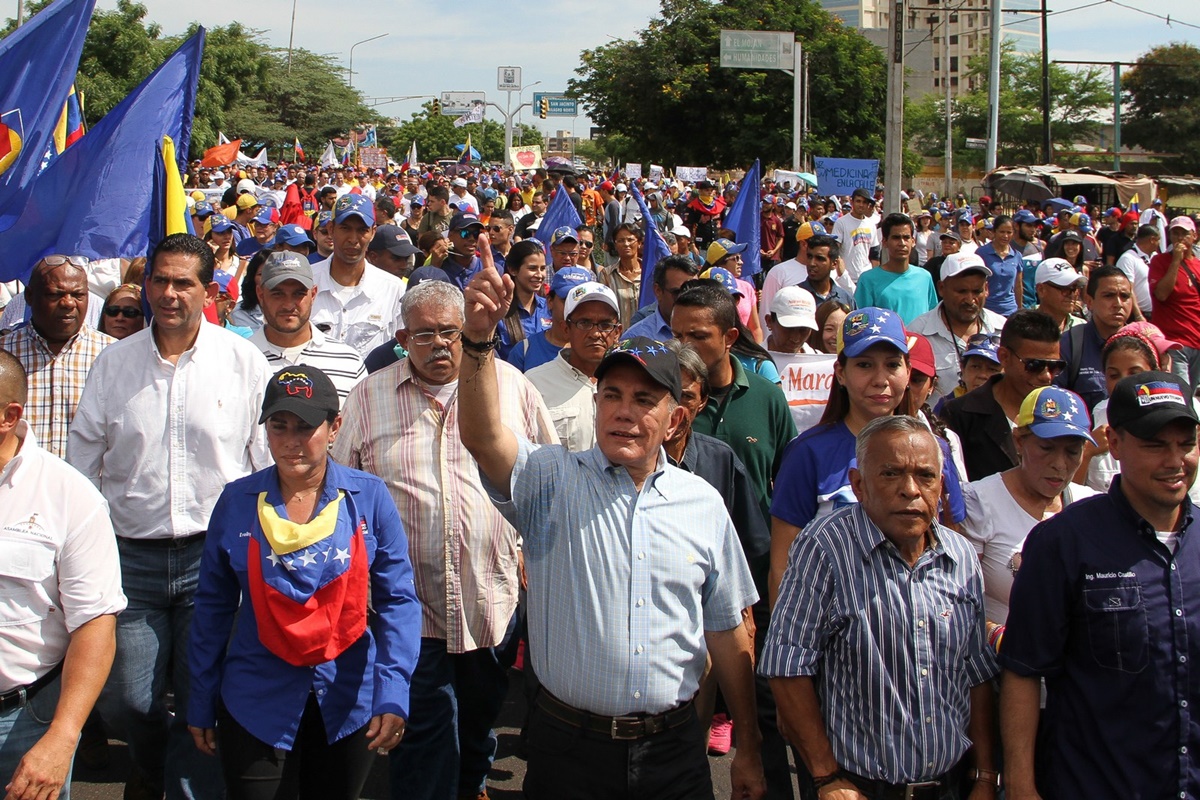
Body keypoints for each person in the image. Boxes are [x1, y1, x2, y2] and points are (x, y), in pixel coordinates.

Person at [456, 233, 766, 799]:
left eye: (645, 400)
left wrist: (749, 745)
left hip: (673, 753)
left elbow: (728, 634)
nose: (625, 412)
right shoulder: (551, 477)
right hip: (567, 750)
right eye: (613, 395)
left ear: (675, 419)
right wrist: (478, 341)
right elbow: (482, 437)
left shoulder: (703, 504)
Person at [68, 233, 273, 800]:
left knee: (198, 692)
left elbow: (262, 463)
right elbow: (84, 458)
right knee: (127, 698)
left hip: (215, 557)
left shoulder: (242, 362)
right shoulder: (114, 364)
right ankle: (151, 767)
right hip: (129, 558)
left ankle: (184, 787)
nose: (169, 293)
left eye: (184, 282)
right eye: (160, 280)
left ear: (207, 290)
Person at [332, 279, 554, 800]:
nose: (439, 346)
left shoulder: (513, 387)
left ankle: (473, 778)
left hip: (490, 596)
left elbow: (549, 475)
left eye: (449, 334)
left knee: (478, 723)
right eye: (425, 335)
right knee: (424, 736)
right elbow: (344, 491)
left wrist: (530, 553)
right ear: (402, 337)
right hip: (408, 606)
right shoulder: (369, 396)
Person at [187, 365, 422, 800]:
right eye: (279, 426)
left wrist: (393, 689)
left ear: (334, 428)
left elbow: (398, 600)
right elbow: (212, 609)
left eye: (306, 426)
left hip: (347, 698)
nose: (292, 441)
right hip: (256, 699)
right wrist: (200, 696)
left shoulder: (368, 497)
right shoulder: (237, 502)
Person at [763, 414, 999, 800]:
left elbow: (977, 673)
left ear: (941, 486)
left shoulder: (960, 557)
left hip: (949, 786)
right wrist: (826, 777)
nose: (910, 490)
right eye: (891, 474)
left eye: (925, 476)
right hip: (856, 787)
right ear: (858, 484)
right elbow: (787, 664)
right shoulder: (825, 547)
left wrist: (986, 776)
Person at [1000, 370, 1200, 800]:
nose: (1174, 460)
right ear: (1116, 441)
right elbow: (1023, 670)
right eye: (1155, 445)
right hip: (1096, 784)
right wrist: (1020, 783)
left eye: (1186, 444)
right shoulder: (1063, 543)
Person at [0, 350, 126, 800]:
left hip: (22, 723)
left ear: (8, 416)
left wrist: (62, 737)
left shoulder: (70, 497)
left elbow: (95, 625)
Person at [962, 385, 1098, 626]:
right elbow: (957, 600)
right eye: (1046, 448)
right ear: (1018, 441)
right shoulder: (979, 502)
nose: (1059, 464)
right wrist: (997, 636)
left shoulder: (1093, 508)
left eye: (1072, 452)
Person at [0, 255, 114, 458]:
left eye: (78, 295)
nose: (68, 303)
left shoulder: (113, 355)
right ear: (29, 297)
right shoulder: (4, 355)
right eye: (55, 295)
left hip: (86, 486)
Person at [941, 309, 1064, 481]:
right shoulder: (959, 415)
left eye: (1054, 366)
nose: (1046, 376)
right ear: (1004, 357)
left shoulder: (1064, 412)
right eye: (1035, 365)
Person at [250, 252, 367, 405]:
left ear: (313, 295)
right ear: (260, 295)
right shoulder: (240, 359)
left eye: (298, 294)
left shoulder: (349, 361)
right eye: (278, 294)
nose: (288, 305)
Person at [526, 282, 621, 452]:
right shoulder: (535, 384)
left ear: (617, 332)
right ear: (566, 329)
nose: (595, 333)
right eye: (584, 323)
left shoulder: (630, 383)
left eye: (605, 325)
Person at [311, 194, 406, 357]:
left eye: (362, 230)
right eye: (345, 228)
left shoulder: (394, 289)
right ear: (331, 229)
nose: (353, 239)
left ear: (373, 232)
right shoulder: (306, 281)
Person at [908, 252, 1006, 407]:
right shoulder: (917, 334)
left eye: (977, 291)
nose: (970, 300)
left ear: (986, 289)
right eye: (961, 291)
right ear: (941, 288)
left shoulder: (1004, 330)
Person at [1055, 264, 1136, 413]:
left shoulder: (1142, 345)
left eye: (1124, 296)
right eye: (1109, 295)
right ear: (1089, 302)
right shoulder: (1070, 344)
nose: (1118, 304)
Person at [853, 213, 938, 324]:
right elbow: (859, 324)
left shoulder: (925, 277)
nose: (902, 243)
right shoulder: (867, 280)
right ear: (884, 242)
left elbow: (933, 318)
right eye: (896, 238)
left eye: (906, 237)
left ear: (913, 242)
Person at [505, 266, 592, 373]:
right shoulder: (524, 351)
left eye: (582, 302)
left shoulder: (600, 350)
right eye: (566, 300)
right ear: (550, 301)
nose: (574, 307)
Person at [1149, 215, 1200, 396]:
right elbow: (1162, 294)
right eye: (1175, 233)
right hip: (1173, 342)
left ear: (1194, 236)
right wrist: (1176, 260)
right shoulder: (1159, 262)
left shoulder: (1198, 265)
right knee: (1181, 393)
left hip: (1196, 341)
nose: (1179, 238)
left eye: (1184, 233)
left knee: (1190, 395)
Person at [622, 254, 700, 342]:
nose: (688, 299)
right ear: (658, 291)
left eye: (694, 292)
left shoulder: (709, 331)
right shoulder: (635, 339)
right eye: (678, 292)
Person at [496, 240, 552, 360]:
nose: (539, 274)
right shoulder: (499, 311)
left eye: (542, 268)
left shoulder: (550, 308)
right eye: (532, 268)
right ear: (513, 270)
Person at [830, 187, 880, 290]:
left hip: (866, 277)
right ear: (852, 201)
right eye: (858, 201)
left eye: (864, 202)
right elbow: (835, 250)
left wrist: (875, 277)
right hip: (847, 278)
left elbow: (874, 254)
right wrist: (841, 273)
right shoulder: (841, 222)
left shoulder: (871, 225)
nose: (861, 205)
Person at [977, 214, 1024, 316]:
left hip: (1010, 311)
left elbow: (1018, 286)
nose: (1005, 236)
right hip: (987, 310)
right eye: (1002, 232)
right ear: (994, 232)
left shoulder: (1017, 256)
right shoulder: (981, 253)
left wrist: (1019, 310)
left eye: (1009, 232)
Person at [599, 223, 643, 327]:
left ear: (639, 243)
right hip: (619, 338)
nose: (626, 244)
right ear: (615, 245)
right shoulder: (607, 275)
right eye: (621, 241)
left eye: (630, 240)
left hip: (647, 338)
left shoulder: (650, 274)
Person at [1114, 223, 1159, 316]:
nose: (1159, 244)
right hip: (1137, 315)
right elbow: (1128, 289)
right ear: (1152, 240)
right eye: (1158, 240)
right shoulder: (1128, 258)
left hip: (1156, 313)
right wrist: (1138, 315)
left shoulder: (1155, 257)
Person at [1030, 258, 1085, 332]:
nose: (1072, 294)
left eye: (1075, 288)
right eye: (1065, 288)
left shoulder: (1082, 328)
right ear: (1041, 290)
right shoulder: (1021, 329)